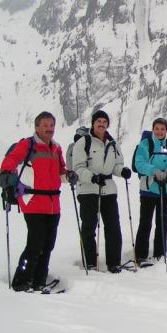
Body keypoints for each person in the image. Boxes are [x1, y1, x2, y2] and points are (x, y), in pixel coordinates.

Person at [0, 111, 76, 291]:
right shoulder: (27, 145)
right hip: (33, 202)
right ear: (37, 127)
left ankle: (39, 279)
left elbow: (60, 172)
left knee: (48, 244)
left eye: (52, 125)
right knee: (36, 243)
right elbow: (11, 159)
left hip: (53, 204)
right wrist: (5, 174)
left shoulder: (56, 148)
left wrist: (69, 176)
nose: (49, 129)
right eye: (45, 125)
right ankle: (21, 280)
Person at [73, 110, 131, 273]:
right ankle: (90, 263)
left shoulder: (112, 144)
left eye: (104, 122)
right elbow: (78, 168)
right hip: (88, 190)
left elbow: (116, 165)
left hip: (108, 189)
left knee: (113, 227)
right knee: (89, 227)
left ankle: (114, 262)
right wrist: (92, 177)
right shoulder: (83, 142)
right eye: (98, 121)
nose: (101, 124)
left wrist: (122, 171)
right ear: (93, 123)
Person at [133, 117, 167, 266]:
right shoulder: (146, 144)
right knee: (145, 223)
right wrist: (154, 171)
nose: (160, 132)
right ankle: (141, 255)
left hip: (165, 190)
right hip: (148, 190)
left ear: (166, 130)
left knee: (162, 222)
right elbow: (139, 163)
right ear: (153, 129)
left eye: (162, 129)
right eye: (157, 129)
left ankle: (160, 253)